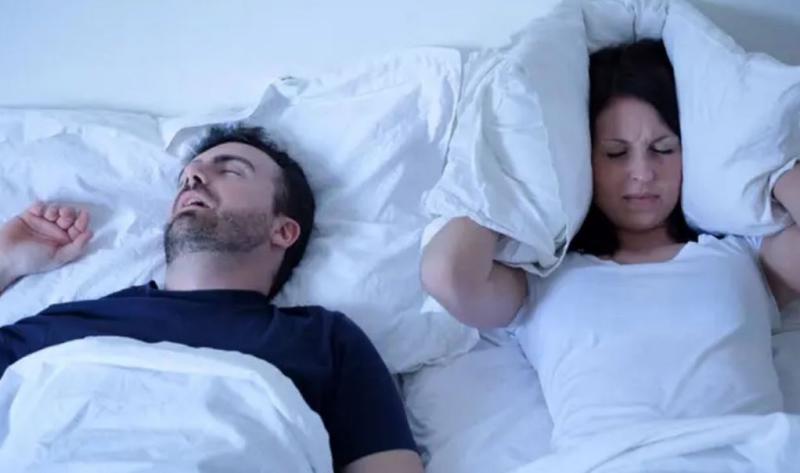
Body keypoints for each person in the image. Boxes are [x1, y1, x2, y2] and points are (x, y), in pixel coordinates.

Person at [422, 40, 800, 445]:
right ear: (582, 159)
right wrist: (521, 175)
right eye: (616, 153)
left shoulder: (742, 259)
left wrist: (761, 161)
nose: (643, 173)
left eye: (663, 149)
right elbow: (447, 275)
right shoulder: (543, 280)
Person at [0, 125, 424, 473]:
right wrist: (5, 262)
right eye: (187, 175)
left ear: (283, 230)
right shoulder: (69, 324)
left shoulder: (325, 341)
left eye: (231, 171)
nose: (194, 178)